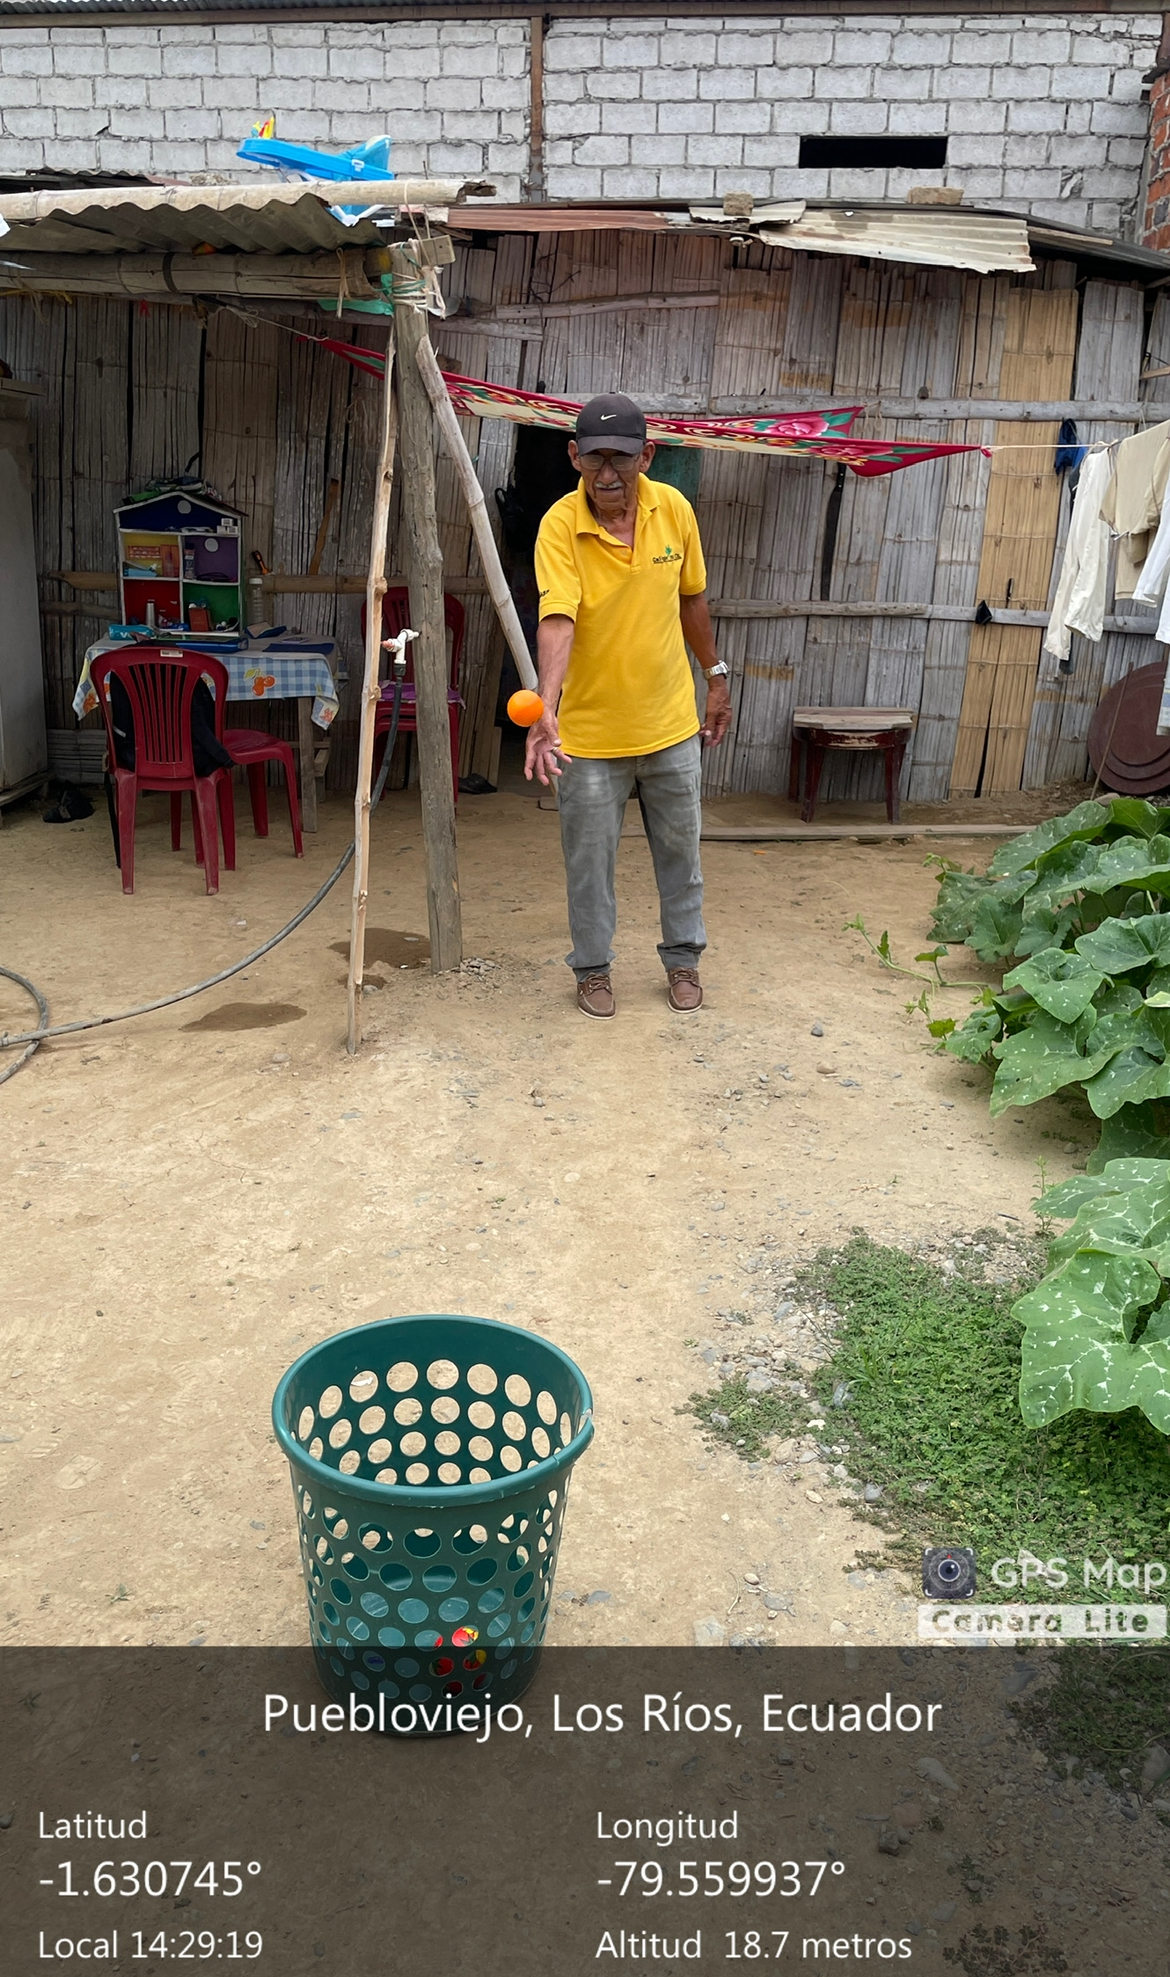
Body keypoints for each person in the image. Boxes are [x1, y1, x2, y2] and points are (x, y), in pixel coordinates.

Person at [526, 393, 731, 1019]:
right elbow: (558, 617)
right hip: (587, 739)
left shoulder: (675, 510)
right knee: (589, 866)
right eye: (595, 459)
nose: (608, 474)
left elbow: (691, 599)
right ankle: (592, 970)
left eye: (621, 457)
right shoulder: (560, 525)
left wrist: (715, 676)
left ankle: (684, 959)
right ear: (574, 457)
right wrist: (546, 708)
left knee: (682, 857)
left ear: (648, 455)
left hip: (670, 726)